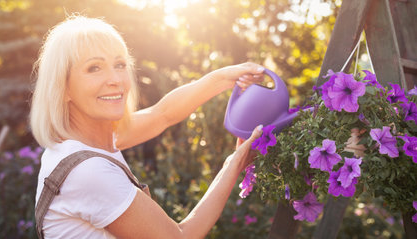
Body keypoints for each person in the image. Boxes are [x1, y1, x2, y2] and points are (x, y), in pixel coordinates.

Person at [31, 15, 265, 239]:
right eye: (94, 68)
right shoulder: (88, 171)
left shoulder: (88, 142)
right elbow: (181, 237)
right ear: (63, 89)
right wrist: (234, 164)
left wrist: (226, 77)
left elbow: (161, 114)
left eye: (120, 65)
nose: (116, 79)